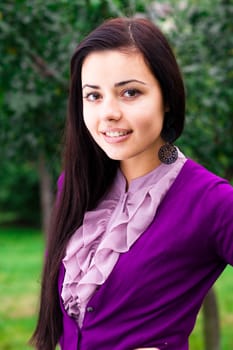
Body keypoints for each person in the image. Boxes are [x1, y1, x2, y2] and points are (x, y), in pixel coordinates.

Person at [30, 17, 233, 350]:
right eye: (93, 96)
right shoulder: (77, 184)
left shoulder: (211, 202)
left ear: (167, 96)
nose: (108, 112)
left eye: (130, 92)